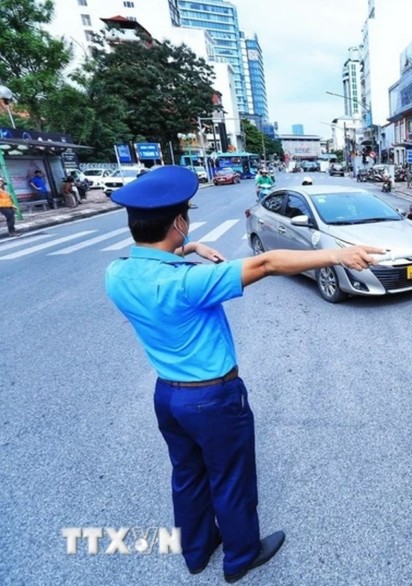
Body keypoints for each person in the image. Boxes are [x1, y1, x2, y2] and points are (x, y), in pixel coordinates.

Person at [104, 167, 381, 582]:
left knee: (187, 475)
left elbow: (156, 262)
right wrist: (338, 254)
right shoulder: (191, 283)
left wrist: (189, 246)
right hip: (213, 399)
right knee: (230, 478)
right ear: (179, 221)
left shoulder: (118, 274)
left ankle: (196, 551)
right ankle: (240, 557)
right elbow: (268, 263)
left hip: (167, 396)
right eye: (187, 219)